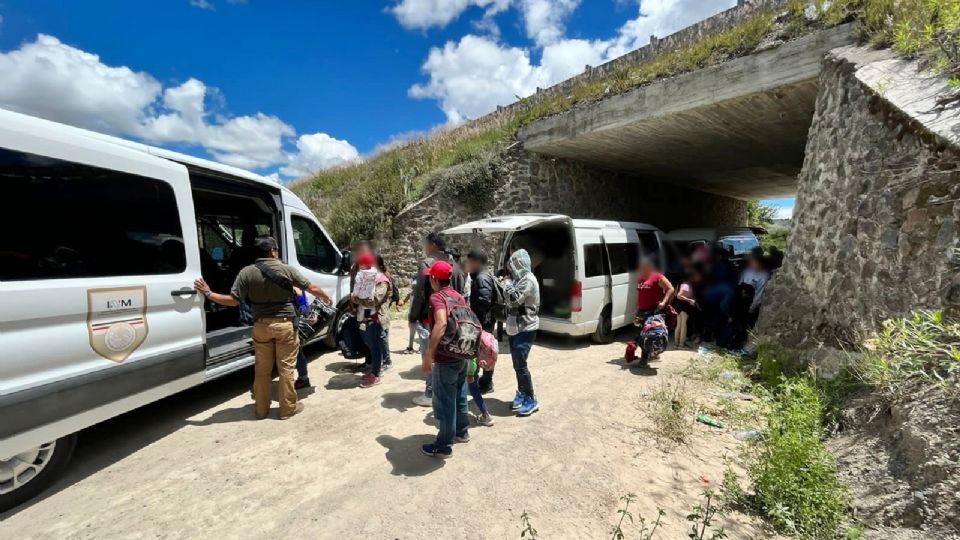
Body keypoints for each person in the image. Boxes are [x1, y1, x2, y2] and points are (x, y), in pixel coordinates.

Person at [194, 236, 331, 420]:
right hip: (284, 326)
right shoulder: (286, 269)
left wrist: (209, 293)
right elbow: (311, 287)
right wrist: (326, 297)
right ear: (272, 251)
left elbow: (233, 301)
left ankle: (261, 409)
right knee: (286, 369)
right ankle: (287, 409)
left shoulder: (246, 273)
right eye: (277, 250)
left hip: (260, 327)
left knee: (262, 371)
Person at [421, 260, 471, 458]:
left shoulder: (437, 298)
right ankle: (462, 432)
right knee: (459, 395)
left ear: (434, 279)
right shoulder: (459, 296)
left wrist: (428, 354)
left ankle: (444, 444)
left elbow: (441, 324)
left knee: (446, 401)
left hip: (445, 357)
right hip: (461, 353)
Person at [411, 232, 466, 407]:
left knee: (432, 354)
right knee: (450, 354)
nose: (424, 248)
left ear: (432, 244)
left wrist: (413, 316)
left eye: (425, 244)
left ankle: (430, 392)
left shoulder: (427, 264)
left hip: (433, 319)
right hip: (454, 321)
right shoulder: (455, 266)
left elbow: (419, 294)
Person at [503, 249, 540, 416]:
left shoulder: (528, 280)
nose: (511, 268)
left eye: (514, 264)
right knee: (517, 364)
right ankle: (521, 392)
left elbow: (514, 299)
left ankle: (531, 399)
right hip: (514, 326)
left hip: (526, 327)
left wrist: (507, 285)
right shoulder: (519, 279)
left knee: (521, 365)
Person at [354, 250, 391, 388]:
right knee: (370, 345)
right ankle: (374, 370)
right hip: (364, 317)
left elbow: (375, 299)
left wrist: (357, 298)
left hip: (375, 319)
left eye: (361, 264)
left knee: (375, 347)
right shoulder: (362, 277)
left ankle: (376, 374)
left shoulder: (381, 279)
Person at [465, 249, 497, 394]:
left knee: (483, 352)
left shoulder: (482, 278)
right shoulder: (481, 276)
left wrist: (476, 320)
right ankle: (483, 382)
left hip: (483, 322)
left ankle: (485, 383)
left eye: (470, 261)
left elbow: (484, 300)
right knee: (483, 351)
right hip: (484, 321)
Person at [739, 253, 770, 328]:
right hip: (741, 300)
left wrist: (752, 307)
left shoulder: (764, 276)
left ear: (760, 264)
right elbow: (740, 283)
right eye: (751, 262)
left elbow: (759, 293)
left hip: (752, 302)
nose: (752, 264)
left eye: (754, 262)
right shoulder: (747, 271)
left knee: (748, 323)